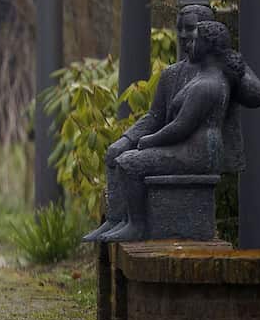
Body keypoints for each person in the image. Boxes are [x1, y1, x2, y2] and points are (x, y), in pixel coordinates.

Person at [104, 21, 248, 241]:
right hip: (197, 149)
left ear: (207, 46)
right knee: (125, 157)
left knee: (129, 163)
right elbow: (160, 118)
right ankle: (122, 221)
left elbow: (180, 127)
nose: (188, 43)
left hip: (197, 153)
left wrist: (149, 140)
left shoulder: (206, 85)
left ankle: (137, 225)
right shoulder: (205, 78)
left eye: (194, 40)